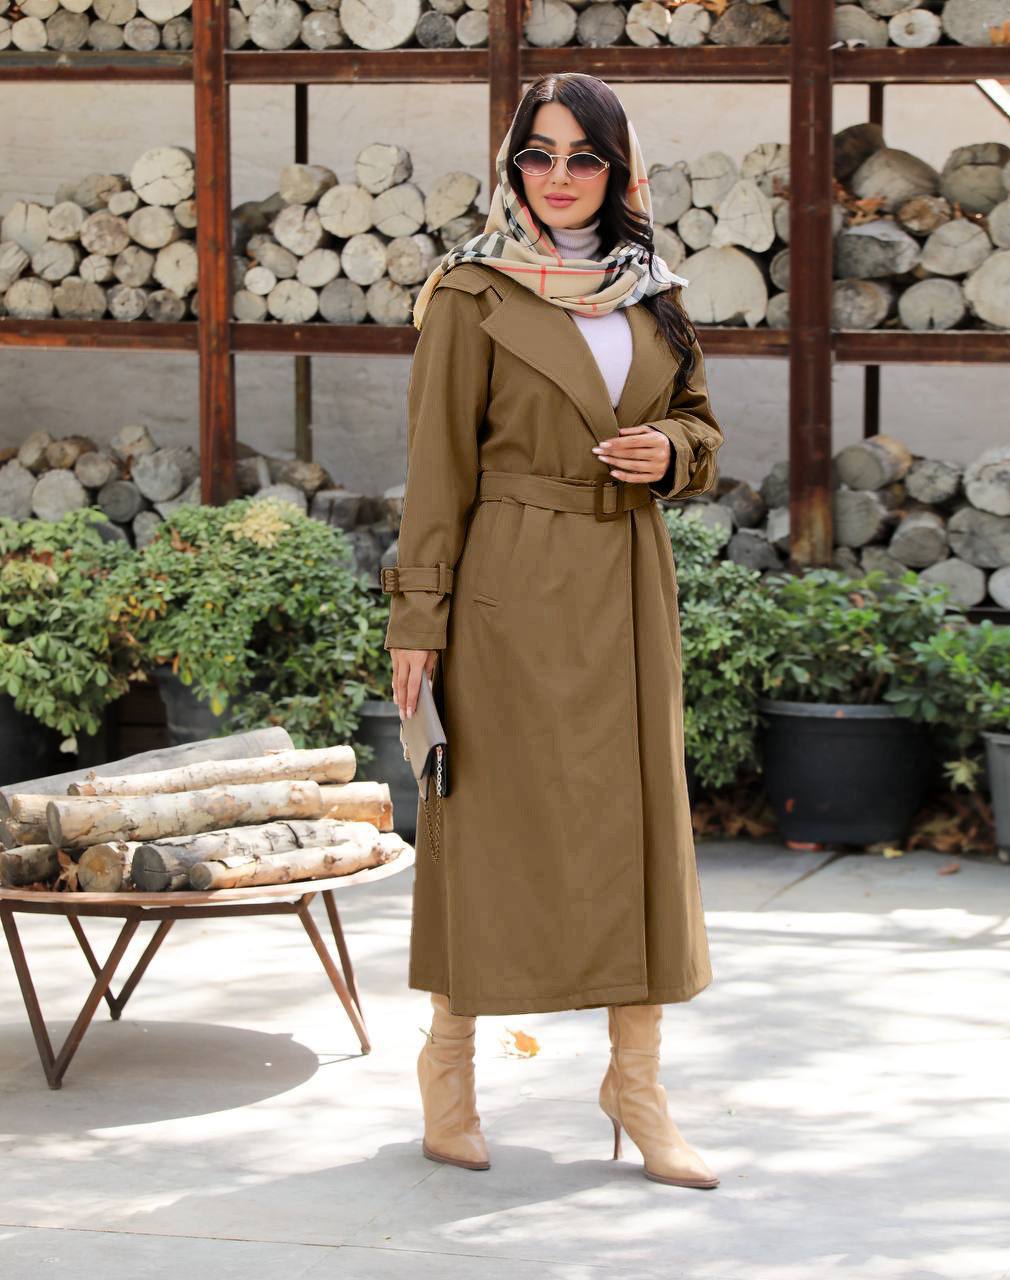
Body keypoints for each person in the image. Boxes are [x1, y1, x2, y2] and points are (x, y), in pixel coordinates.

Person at [381, 72, 725, 1190]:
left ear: (618, 170)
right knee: (485, 823)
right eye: (538, 153)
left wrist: (670, 452)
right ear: (511, 166)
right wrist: (417, 620)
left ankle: (637, 1085)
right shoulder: (471, 291)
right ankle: (449, 1073)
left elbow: (701, 427)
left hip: (627, 585)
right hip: (507, 592)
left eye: (583, 156)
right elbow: (435, 468)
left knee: (638, 830)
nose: (559, 176)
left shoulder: (653, 290)